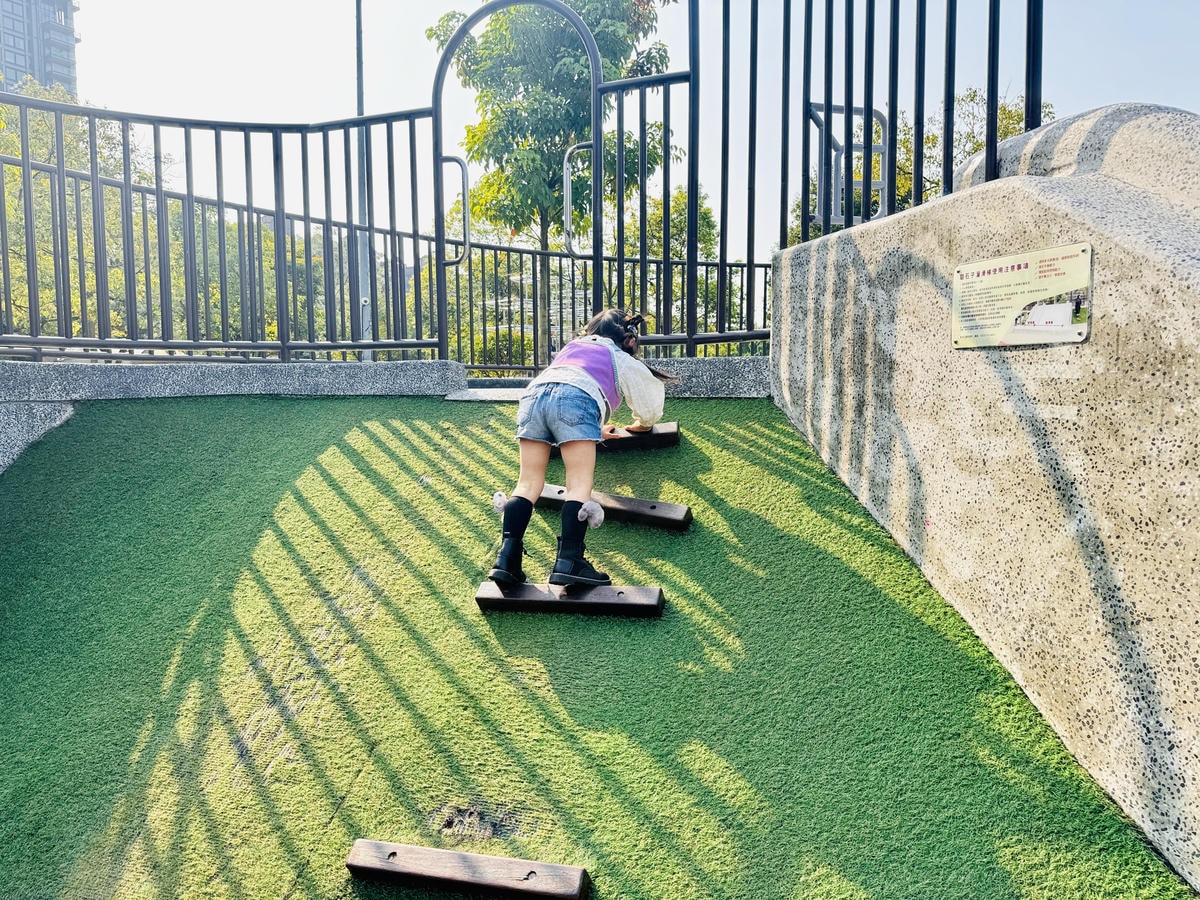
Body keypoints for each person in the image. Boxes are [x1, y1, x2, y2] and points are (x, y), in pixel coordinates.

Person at [489, 308, 673, 588]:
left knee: (527, 483)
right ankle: (569, 561)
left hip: (532, 398)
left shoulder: (571, 348)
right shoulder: (618, 356)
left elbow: (559, 393)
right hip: (577, 400)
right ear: (628, 338)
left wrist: (594, 428)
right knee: (578, 483)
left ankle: (506, 560)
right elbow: (647, 405)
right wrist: (642, 424)